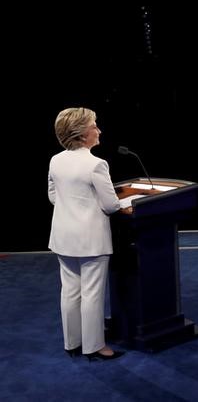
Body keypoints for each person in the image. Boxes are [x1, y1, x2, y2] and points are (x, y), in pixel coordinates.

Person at [48, 107, 124, 360]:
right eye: (94, 125)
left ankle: (72, 343)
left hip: (62, 236)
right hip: (91, 239)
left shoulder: (56, 160)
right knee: (92, 293)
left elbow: (53, 196)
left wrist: (73, 204)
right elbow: (111, 205)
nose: (99, 130)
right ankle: (95, 347)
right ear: (81, 134)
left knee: (69, 290)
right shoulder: (96, 164)